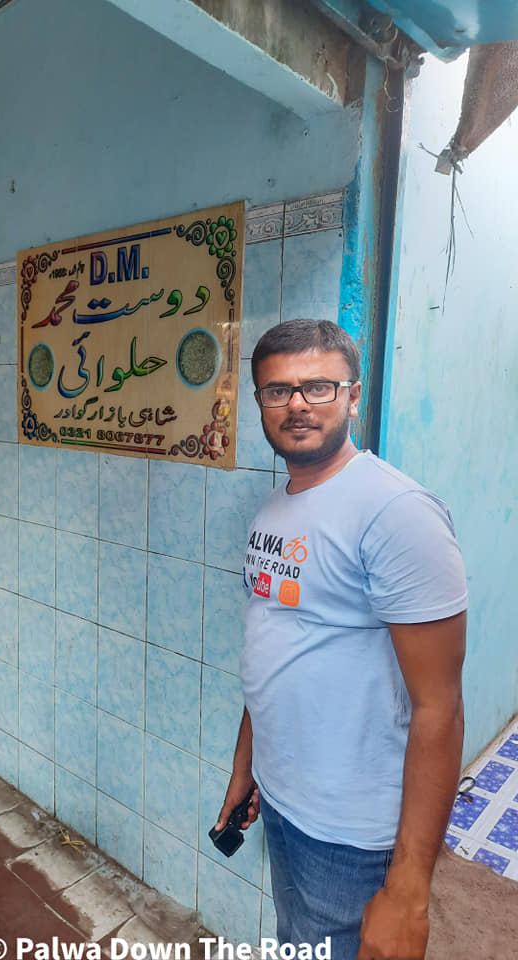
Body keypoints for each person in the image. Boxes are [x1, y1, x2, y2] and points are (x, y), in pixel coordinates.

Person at [214, 319, 467, 960]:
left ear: (354, 396)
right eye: (277, 391)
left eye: (318, 387)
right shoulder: (273, 510)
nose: (296, 404)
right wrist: (248, 769)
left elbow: (440, 707)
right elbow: (274, 646)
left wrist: (409, 891)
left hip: (353, 835)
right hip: (282, 803)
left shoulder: (396, 512)